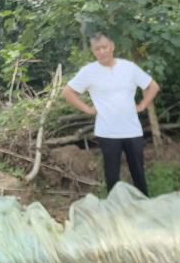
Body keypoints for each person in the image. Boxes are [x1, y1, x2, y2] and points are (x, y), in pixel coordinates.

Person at [62, 32, 160, 197]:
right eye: (97, 49)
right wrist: (88, 109)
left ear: (112, 47)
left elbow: (153, 86)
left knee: (138, 172)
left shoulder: (128, 67)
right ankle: (114, 208)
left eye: (104, 47)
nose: (102, 51)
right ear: (93, 51)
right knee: (112, 174)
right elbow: (67, 92)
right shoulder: (89, 71)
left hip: (132, 130)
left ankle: (143, 203)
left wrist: (142, 105)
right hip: (107, 132)